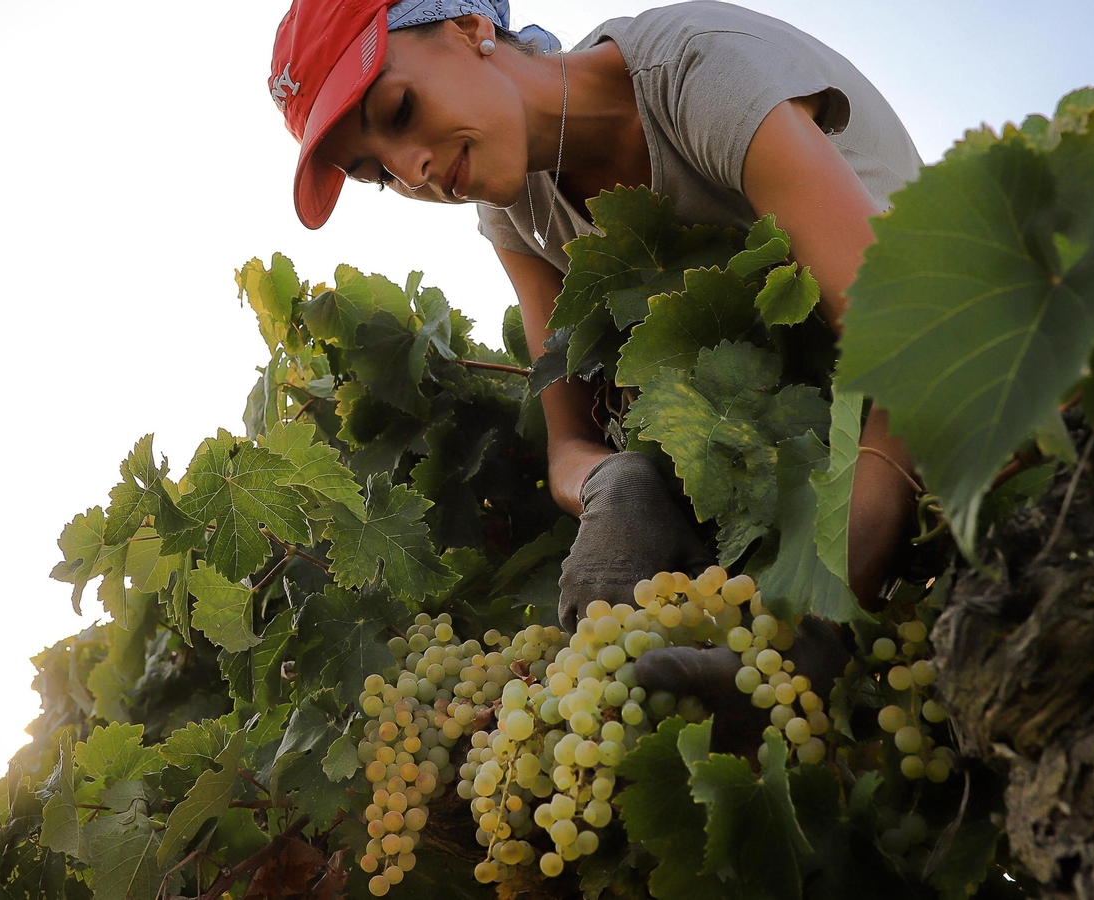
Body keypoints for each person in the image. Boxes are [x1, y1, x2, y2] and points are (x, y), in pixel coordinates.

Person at [267, 0, 922, 708]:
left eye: (398, 110)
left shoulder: (696, 73)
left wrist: (813, 619)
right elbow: (568, 445)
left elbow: (910, 340)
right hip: (790, 463)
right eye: (377, 174)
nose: (411, 169)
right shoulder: (513, 209)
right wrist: (614, 485)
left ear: (470, 31)